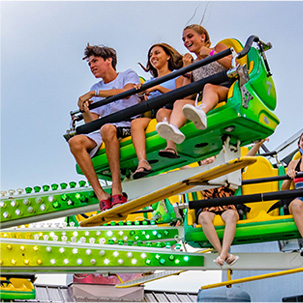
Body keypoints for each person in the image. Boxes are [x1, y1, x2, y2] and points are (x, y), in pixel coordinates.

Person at [68, 44, 140, 211]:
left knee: (107, 128)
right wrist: (85, 109)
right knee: (75, 142)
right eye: (90, 64)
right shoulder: (96, 87)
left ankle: (116, 188)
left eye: (95, 61)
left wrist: (94, 95)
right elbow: (91, 123)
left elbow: (127, 92)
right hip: (104, 129)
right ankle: (101, 194)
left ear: (109, 60)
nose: (92, 66)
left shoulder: (127, 74)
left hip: (127, 124)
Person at [156, 24, 233, 158]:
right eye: (184, 39)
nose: (186, 41)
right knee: (180, 102)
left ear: (202, 37)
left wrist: (210, 54)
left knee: (208, 86)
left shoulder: (218, 48)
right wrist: (188, 70)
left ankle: (202, 112)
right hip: (203, 98)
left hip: (224, 89)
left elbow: (232, 64)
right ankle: (174, 128)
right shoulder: (194, 63)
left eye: (190, 36)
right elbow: (188, 94)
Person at [131, 43, 184, 178]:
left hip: (173, 109)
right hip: (156, 113)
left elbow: (181, 94)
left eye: (157, 53)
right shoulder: (150, 82)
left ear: (167, 56)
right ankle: (142, 162)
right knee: (136, 124)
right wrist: (141, 94)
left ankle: (171, 146)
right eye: (150, 55)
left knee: (162, 112)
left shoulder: (177, 75)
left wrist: (159, 88)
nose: (153, 57)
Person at [196, 156, 250, 267]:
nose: (208, 159)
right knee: (203, 217)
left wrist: (257, 145)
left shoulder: (227, 170)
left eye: (211, 156)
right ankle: (224, 254)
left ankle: (222, 255)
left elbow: (244, 162)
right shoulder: (199, 175)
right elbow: (183, 167)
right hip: (209, 206)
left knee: (230, 215)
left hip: (227, 205)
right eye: (203, 159)